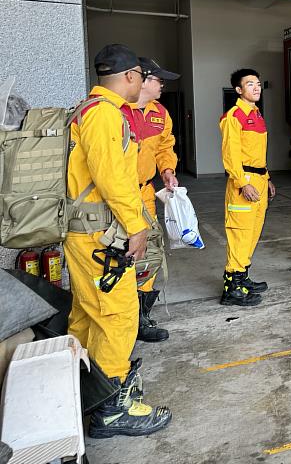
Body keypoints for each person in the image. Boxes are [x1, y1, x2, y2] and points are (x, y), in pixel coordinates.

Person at [66, 44, 171, 438]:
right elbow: (110, 176)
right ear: (129, 76)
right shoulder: (105, 114)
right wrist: (135, 226)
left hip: (88, 233)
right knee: (118, 316)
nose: (143, 83)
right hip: (100, 236)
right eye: (141, 76)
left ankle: (80, 390)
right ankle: (111, 409)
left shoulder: (88, 110)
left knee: (89, 313)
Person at [132, 57, 180, 343]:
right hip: (112, 197)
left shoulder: (160, 113)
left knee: (149, 252)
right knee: (119, 255)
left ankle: (141, 317)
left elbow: (165, 147)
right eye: (159, 79)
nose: (163, 85)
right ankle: (121, 318)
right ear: (142, 80)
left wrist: (167, 170)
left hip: (145, 192)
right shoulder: (114, 111)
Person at [219, 69, 275, 307]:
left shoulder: (257, 114)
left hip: (259, 178)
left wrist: (267, 177)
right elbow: (230, 155)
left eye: (258, 84)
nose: (256, 87)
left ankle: (242, 277)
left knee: (252, 233)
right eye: (250, 84)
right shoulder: (234, 116)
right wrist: (243, 183)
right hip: (244, 181)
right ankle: (232, 288)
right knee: (240, 234)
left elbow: (257, 153)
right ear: (238, 90)